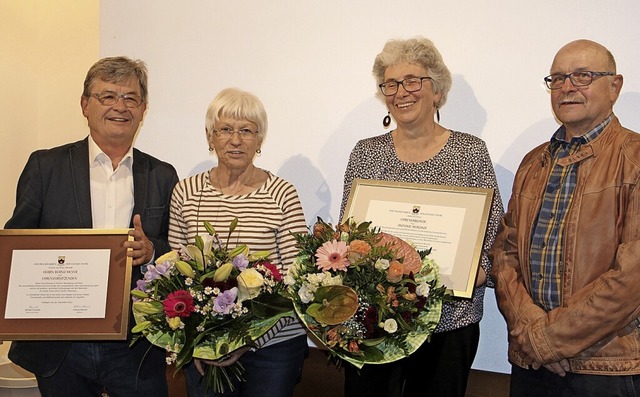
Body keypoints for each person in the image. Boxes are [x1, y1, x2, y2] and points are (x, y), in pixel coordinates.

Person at [4, 56, 179, 396]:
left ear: (143, 110)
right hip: (62, 347)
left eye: (131, 98)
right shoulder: (45, 166)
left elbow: (176, 249)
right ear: (85, 104)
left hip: (138, 345)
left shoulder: (162, 174)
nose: (120, 106)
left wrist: (151, 249)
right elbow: (17, 246)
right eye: (107, 96)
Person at [340, 37, 504, 397]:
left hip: (448, 324)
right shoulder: (366, 154)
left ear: (437, 91)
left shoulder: (470, 152)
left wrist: (478, 272)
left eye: (413, 80)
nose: (402, 92)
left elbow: (495, 236)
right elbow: (348, 239)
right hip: (374, 323)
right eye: (391, 84)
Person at [490, 39, 640, 396]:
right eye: (557, 79)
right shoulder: (533, 162)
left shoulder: (634, 159)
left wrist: (550, 339)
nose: (567, 87)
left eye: (582, 76)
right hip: (531, 365)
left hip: (605, 368)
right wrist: (531, 329)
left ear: (614, 86)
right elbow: (504, 256)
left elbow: (631, 277)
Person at [168, 87, 309, 397]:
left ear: (259, 140)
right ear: (210, 137)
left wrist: (247, 340)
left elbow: (296, 277)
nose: (235, 140)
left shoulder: (282, 193)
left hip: (274, 345)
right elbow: (175, 272)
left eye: (247, 131)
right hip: (206, 347)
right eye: (225, 130)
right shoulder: (186, 192)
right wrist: (199, 340)